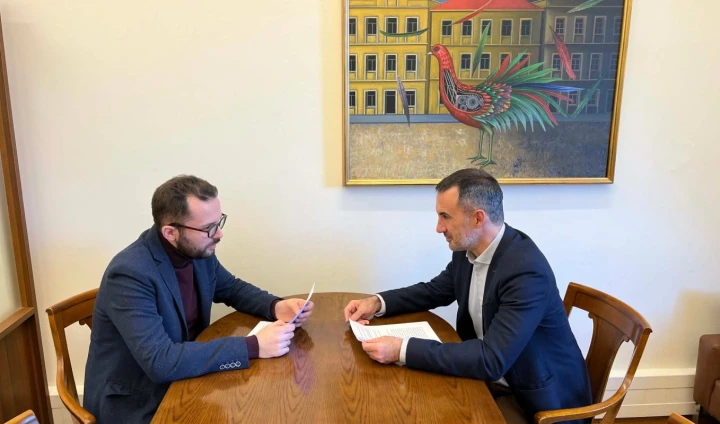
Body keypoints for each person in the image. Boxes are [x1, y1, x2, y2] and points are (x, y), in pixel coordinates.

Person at [343, 168, 592, 424]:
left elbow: (491, 360)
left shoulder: (526, 271)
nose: (439, 228)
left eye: (445, 216)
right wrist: (377, 302)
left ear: (477, 218)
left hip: (536, 402)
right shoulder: (467, 250)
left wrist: (401, 349)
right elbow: (434, 290)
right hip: (489, 377)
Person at [84, 175, 314, 424]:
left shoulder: (196, 250)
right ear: (170, 232)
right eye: (209, 228)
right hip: (139, 400)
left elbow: (231, 288)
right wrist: (254, 346)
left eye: (219, 222)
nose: (219, 234)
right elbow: (160, 362)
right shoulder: (130, 273)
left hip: (187, 377)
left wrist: (276, 306)